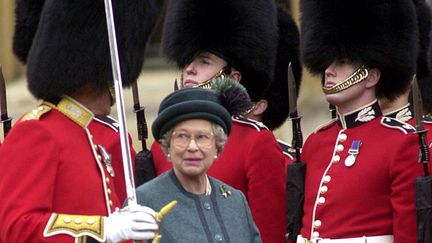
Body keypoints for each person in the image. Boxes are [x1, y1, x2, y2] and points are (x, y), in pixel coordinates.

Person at [0, 0, 162, 242]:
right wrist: (103, 230)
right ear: (91, 77)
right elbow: (16, 227)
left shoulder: (99, 134)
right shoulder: (36, 131)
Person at [147, 1, 301, 242]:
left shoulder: (254, 141)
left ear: (232, 77)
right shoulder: (162, 145)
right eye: (188, 60)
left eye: (204, 61)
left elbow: (268, 231)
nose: (189, 68)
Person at [298, 0, 424, 242]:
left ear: (371, 77)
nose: (328, 71)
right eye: (327, 62)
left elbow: (408, 233)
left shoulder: (401, 143)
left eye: (342, 62)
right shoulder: (316, 142)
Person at [136, 83, 261, 243]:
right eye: (182, 136)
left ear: (217, 147)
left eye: (202, 137)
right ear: (168, 145)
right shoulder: (145, 200)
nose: (192, 147)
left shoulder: (236, 201)